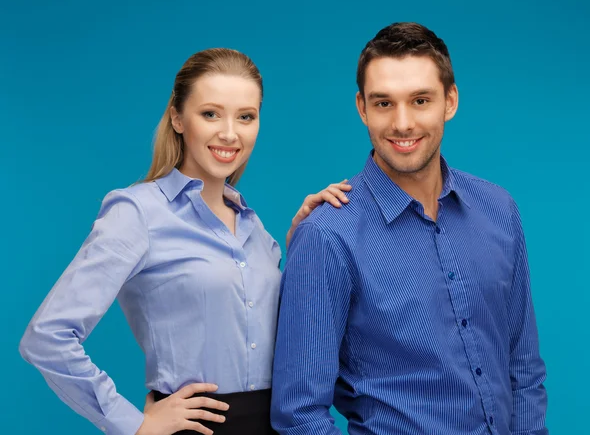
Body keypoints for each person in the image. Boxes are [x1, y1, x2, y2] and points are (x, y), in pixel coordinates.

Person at [19, 48, 351, 435]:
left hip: (274, 425)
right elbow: (47, 337)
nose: (230, 132)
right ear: (177, 118)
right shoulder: (137, 213)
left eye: (246, 116)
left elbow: (272, 335)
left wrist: (304, 243)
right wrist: (134, 425)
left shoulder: (255, 229)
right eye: (210, 113)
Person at [271, 22, 548, 435]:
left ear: (449, 101)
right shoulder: (328, 236)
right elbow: (298, 417)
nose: (402, 124)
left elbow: (523, 370)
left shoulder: (499, 210)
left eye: (420, 100)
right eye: (384, 104)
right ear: (362, 108)